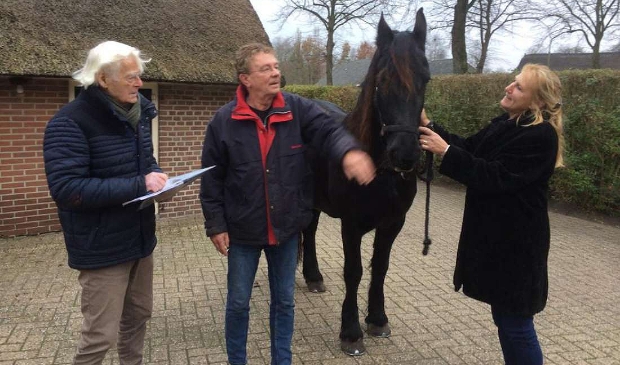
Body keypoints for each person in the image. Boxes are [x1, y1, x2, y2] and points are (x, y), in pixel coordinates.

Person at [199, 43, 376, 365]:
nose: (276, 72)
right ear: (245, 79)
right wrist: (215, 224)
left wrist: (349, 151)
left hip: (287, 227)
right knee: (238, 303)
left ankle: (282, 360)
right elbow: (211, 179)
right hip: (242, 230)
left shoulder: (298, 109)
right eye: (265, 68)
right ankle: (236, 360)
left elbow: (329, 130)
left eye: (276, 66)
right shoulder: (223, 122)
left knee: (284, 302)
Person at [418, 63, 564, 365]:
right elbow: (470, 148)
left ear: (537, 101)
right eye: (513, 82)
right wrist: (428, 124)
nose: (509, 88)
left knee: (517, 325)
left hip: (518, 246)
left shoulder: (540, 136)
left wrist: (445, 152)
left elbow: (496, 176)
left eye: (519, 87)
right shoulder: (507, 124)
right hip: (500, 244)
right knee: (506, 320)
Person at [43, 41, 168, 364]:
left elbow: (147, 164)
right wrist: (139, 184)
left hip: (140, 238)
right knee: (100, 336)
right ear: (102, 79)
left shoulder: (136, 115)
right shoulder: (69, 122)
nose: (139, 84)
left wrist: (160, 181)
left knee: (138, 316)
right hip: (101, 247)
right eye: (130, 77)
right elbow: (68, 189)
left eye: (139, 76)